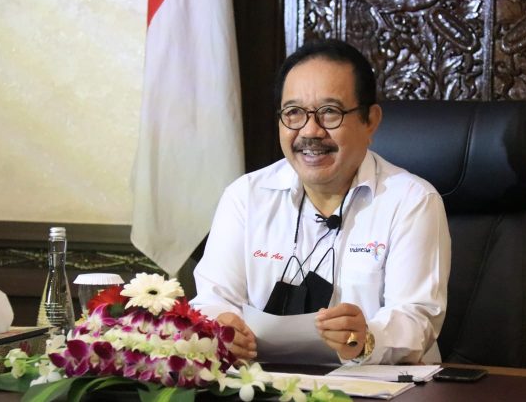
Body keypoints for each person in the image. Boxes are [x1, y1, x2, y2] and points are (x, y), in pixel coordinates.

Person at [191, 39, 450, 365]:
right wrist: (222, 326)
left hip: (376, 384)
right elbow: (212, 299)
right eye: (294, 113)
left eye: (330, 112)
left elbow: (417, 318)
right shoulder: (246, 197)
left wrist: (365, 338)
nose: (310, 131)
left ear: (370, 120)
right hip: (265, 382)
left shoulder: (411, 201)